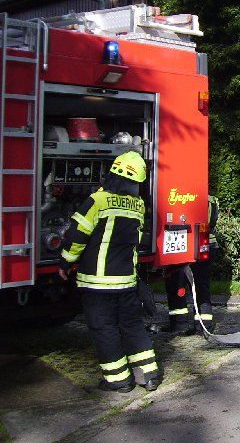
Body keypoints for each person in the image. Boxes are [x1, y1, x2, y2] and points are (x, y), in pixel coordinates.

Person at [58, 151, 162, 393]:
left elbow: (77, 236)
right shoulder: (138, 205)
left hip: (97, 284)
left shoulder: (98, 200)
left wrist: (65, 263)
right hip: (126, 281)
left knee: (104, 328)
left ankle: (119, 380)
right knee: (132, 326)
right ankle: (149, 375)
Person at [163, 193, 220, 335]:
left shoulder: (186, 195)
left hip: (193, 243)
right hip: (207, 244)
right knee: (201, 285)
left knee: (176, 283)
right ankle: (204, 325)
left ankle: (179, 324)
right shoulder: (211, 199)